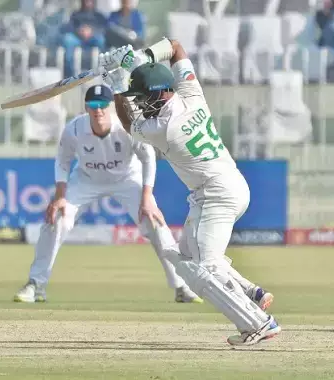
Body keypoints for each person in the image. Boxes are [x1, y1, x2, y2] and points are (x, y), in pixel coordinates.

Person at [97, 38, 279, 346]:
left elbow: (130, 124)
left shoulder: (164, 129)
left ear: (157, 93)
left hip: (216, 194)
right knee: (185, 256)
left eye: (142, 98)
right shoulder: (192, 93)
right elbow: (177, 46)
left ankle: (259, 324)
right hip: (224, 185)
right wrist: (143, 57)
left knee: (201, 269)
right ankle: (252, 293)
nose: (140, 104)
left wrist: (116, 87)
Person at [14, 84, 202, 305]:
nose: (98, 110)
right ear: (86, 107)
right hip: (86, 179)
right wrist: (60, 196)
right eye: (93, 105)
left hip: (127, 179)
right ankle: (36, 285)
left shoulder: (126, 127)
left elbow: (148, 157)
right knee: (56, 219)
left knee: (155, 222)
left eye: (103, 104)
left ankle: (181, 287)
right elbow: (63, 161)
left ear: (111, 106)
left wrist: (147, 197)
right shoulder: (74, 129)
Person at [61, 0, 107, 77]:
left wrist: (92, 31)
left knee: (102, 40)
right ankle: (69, 77)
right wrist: (79, 30)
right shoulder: (75, 14)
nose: (88, 2)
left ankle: (102, 71)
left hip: (93, 38)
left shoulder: (99, 15)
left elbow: (104, 28)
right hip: (78, 38)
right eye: (86, 1)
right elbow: (69, 27)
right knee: (67, 39)